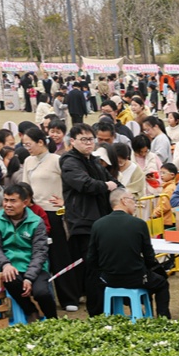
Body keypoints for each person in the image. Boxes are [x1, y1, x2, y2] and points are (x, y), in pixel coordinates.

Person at [60, 123, 117, 317]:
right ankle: (96, 312)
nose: (88, 143)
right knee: (92, 269)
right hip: (83, 222)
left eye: (91, 139)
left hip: (101, 220)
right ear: (72, 141)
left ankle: (105, 308)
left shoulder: (93, 160)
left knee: (101, 267)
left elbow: (113, 181)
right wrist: (106, 186)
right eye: (83, 139)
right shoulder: (69, 161)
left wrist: (112, 185)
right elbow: (85, 184)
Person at [0, 181, 55, 320]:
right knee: (11, 279)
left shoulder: (36, 222)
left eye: (13, 201)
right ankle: (30, 311)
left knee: (42, 293)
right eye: (5, 200)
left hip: (34, 267)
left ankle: (53, 321)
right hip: (9, 266)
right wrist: (5, 264)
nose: (8, 205)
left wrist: (29, 277)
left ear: (25, 202)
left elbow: (40, 252)